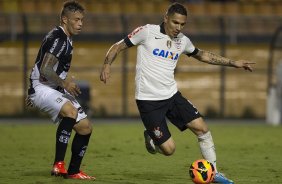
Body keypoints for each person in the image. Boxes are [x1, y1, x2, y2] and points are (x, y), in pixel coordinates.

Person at [100, 2, 255, 184]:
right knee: (169, 150)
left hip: (172, 96)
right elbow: (118, 46)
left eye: (182, 24)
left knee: (202, 129)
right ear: (166, 18)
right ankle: (151, 136)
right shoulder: (147, 32)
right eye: (175, 23)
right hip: (148, 101)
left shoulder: (183, 40)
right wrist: (107, 64)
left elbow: (202, 55)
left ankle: (213, 173)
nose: (178, 28)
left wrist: (233, 63)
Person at [26, 1, 95, 180]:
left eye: (82, 20)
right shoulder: (58, 38)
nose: (80, 24)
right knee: (70, 112)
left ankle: (73, 171)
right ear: (65, 19)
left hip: (51, 87)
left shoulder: (66, 38)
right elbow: (45, 69)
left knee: (85, 128)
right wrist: (64, 84)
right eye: (76, 20)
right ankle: (58, 165)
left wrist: (63, 83)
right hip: (41, 87)